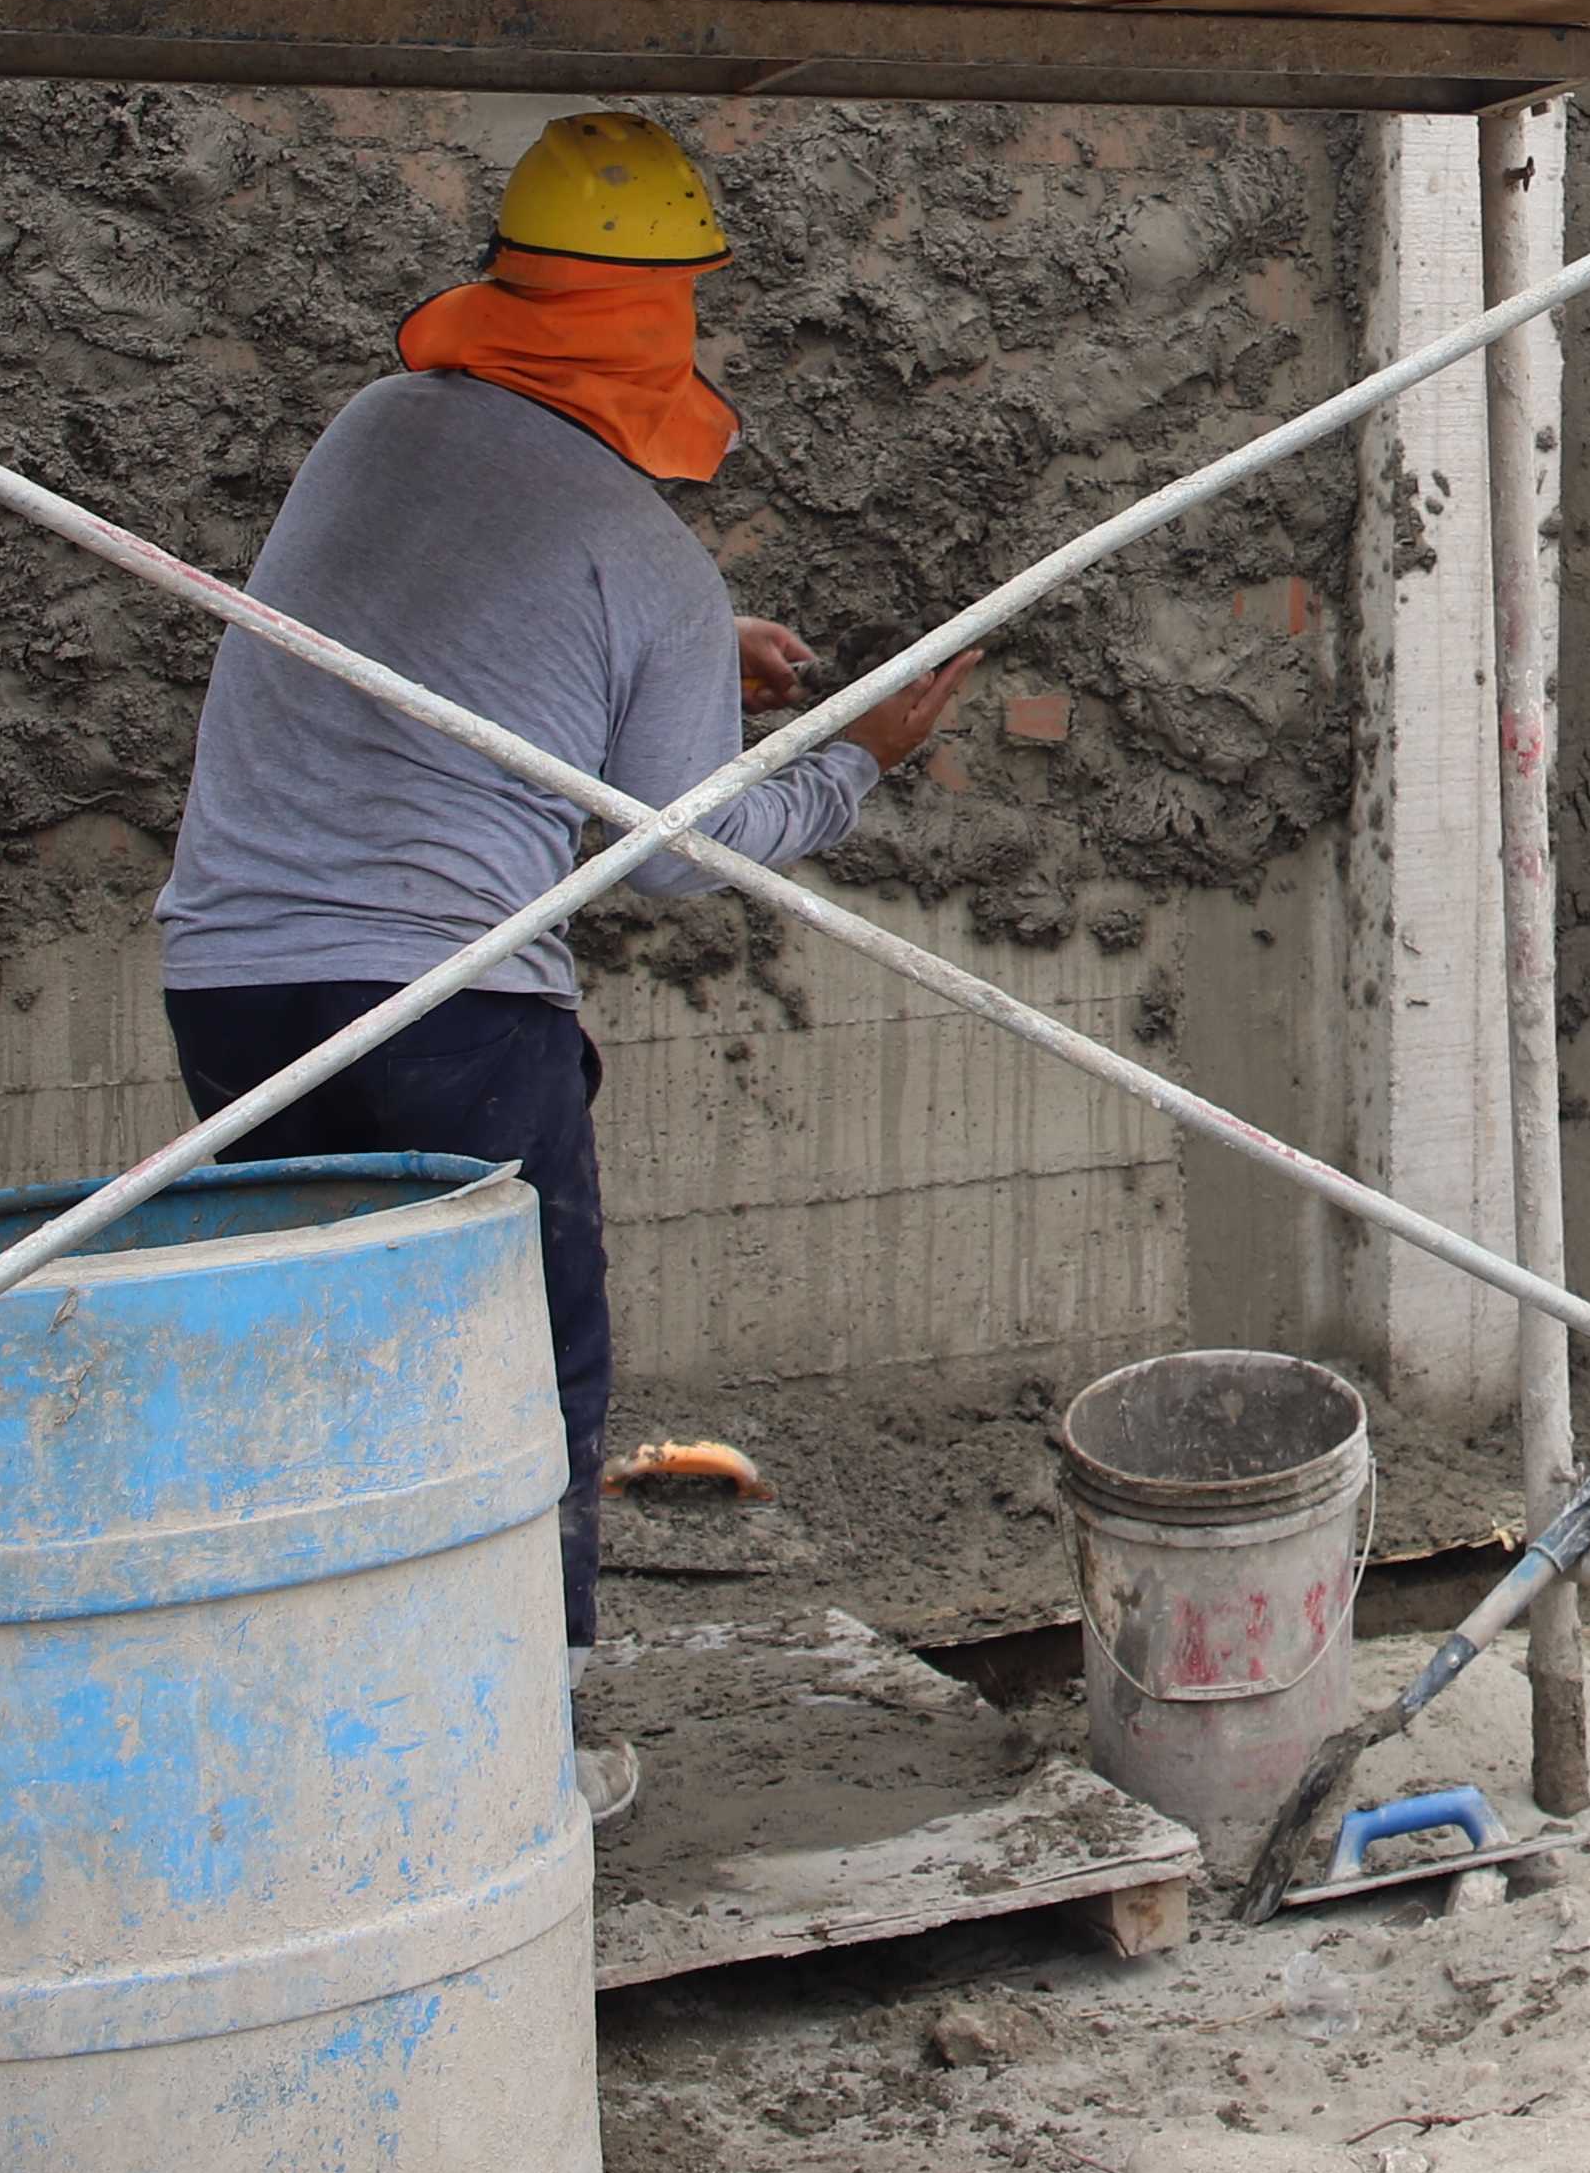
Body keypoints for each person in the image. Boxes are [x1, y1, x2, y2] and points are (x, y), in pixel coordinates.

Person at [154, 111, 976, 1708]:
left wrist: (688, 651)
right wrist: (855, 762)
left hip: (233, 982)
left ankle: (327, 1704)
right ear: (668, 320)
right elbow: (675, 851)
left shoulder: (371, 430)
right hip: (450, 1004)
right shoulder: (638, 550)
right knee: (522, 1368)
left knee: (317, 1362)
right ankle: (529, 1737)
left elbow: (456, 617)